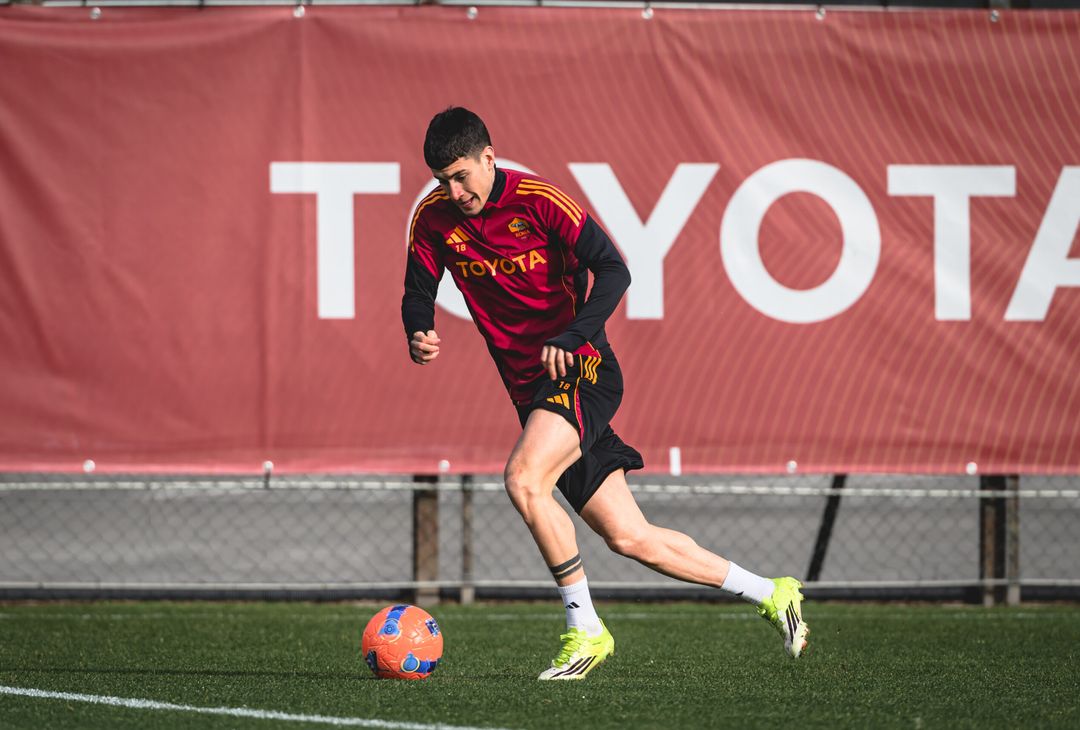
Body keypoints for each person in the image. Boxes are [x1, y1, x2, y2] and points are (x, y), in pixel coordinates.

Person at [402, 107, 808, 680]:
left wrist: (572, 335)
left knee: (523, 479)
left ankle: (585, 629)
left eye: (461, 175)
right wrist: (418, 329)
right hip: (533, 394)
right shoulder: (433, 217)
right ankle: (772, 593)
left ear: (489, 158)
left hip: (584, 371)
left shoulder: (541, 201)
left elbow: (615, 268)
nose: (454, 189)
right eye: (442, 179)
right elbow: (417, 290)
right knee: (629, 536)